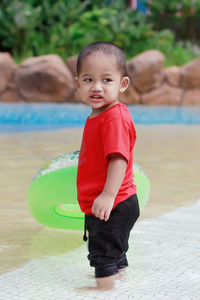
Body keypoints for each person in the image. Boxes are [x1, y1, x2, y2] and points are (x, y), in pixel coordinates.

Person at [75, 41, 140, 290]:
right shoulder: (100, 114)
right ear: (77, 83)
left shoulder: (113, 117)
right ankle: (121, 286)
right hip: (111, 202)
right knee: (113, 252)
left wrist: (108, 195)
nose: (97, 87)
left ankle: (104, 292)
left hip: (113, 203)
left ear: (122, 84)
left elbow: (118, 158)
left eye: (107, 80)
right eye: (89, 79)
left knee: (102, 257)